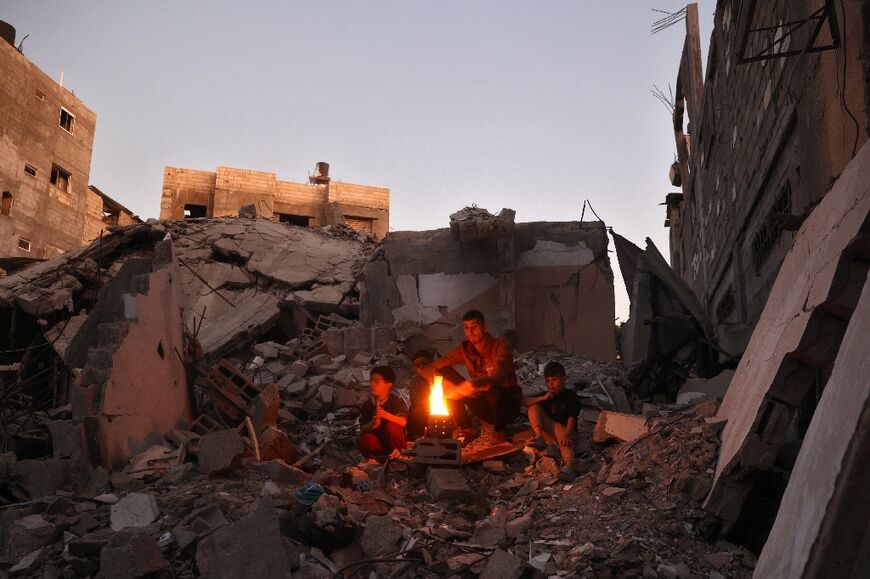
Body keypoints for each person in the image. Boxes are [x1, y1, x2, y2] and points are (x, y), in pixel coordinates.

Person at [431, 309, 521, 443]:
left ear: (485, 327)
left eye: (474, 327)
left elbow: (499, 377)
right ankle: (468, 428)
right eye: (466, 328)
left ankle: (500, 431)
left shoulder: (501, 345)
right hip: (486, 407)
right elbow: (436, 365)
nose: (470, 332)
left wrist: (480, 382)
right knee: (446, 375)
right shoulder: (465, 349)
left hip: (507, 406)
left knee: (493, 390)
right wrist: (449, 387)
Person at [522, 361, 580, 479]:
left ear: (564, 380)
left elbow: (572, 417)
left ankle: (569, 465)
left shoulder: (570, 396)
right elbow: (524, 402)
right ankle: (539, 437)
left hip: (565, 429)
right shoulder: (548, 395)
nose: (550, 384)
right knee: (533, 407)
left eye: (554, 379)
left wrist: (567, 435)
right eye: (547, 380)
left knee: (565, 444)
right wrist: (542, 398)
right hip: (550, 429)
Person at [357, 366, 408, 462]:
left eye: (376, 381)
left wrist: (385, 415)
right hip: (378, 445)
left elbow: (403, 422)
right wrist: (372, 424)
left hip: (394, 444)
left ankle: (399, 457)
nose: (372, 384)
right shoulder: (367, 405)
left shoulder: (395, 401)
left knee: (392, 427)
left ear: (388, 385)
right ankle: (377, 459)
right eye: (371, 380)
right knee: (364, 439)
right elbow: (362, 429)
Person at [406, 350, 436, 440]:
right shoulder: (415, 381)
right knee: (418, 410)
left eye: (424, 363)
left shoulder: (440, 378)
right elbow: (415, 400)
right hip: (423, 411)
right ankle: (417, 436)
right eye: (418, 366)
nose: (422, 367)